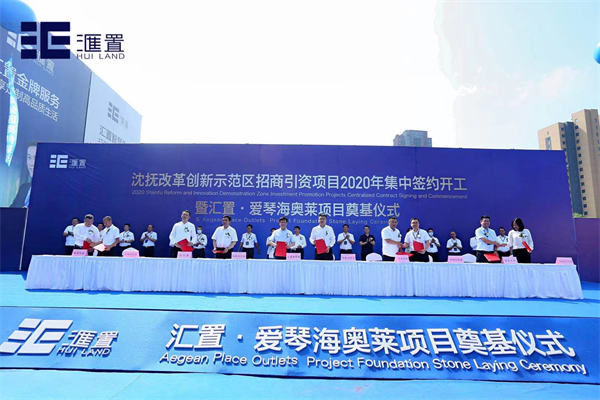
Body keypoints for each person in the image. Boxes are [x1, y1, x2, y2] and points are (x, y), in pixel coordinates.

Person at [10, 142, 36, 208]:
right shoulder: (23, 188)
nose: (31, 163)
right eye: (29, 157)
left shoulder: (50, 191)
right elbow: (10, 211)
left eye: (35, 158)